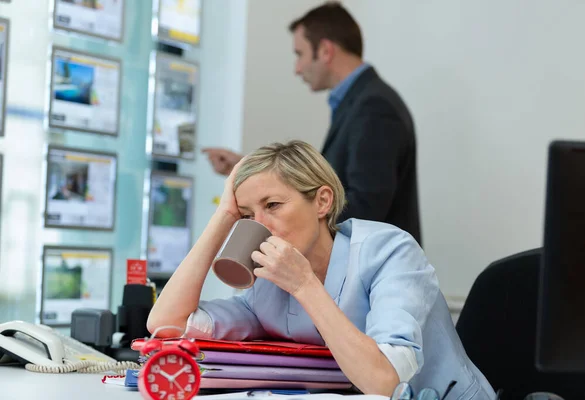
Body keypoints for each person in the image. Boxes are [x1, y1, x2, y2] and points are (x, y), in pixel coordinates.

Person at [148, 141, 494, 399]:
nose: (261, 225)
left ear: (322, 201)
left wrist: (304, 284)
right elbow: (167, 325)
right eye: (248, 215)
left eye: (273, 205)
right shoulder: (266, 288)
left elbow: (385, 382)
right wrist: (223, 217)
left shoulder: (390, 251)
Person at [202, 2, 422, 244]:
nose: (297, 69)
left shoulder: (374, 108)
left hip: (375, 271)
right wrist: (251, 170)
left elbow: (367, 206)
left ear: (326, 51)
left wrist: (298, 213)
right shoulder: (359, 103)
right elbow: (321, 185)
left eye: (300, 54)